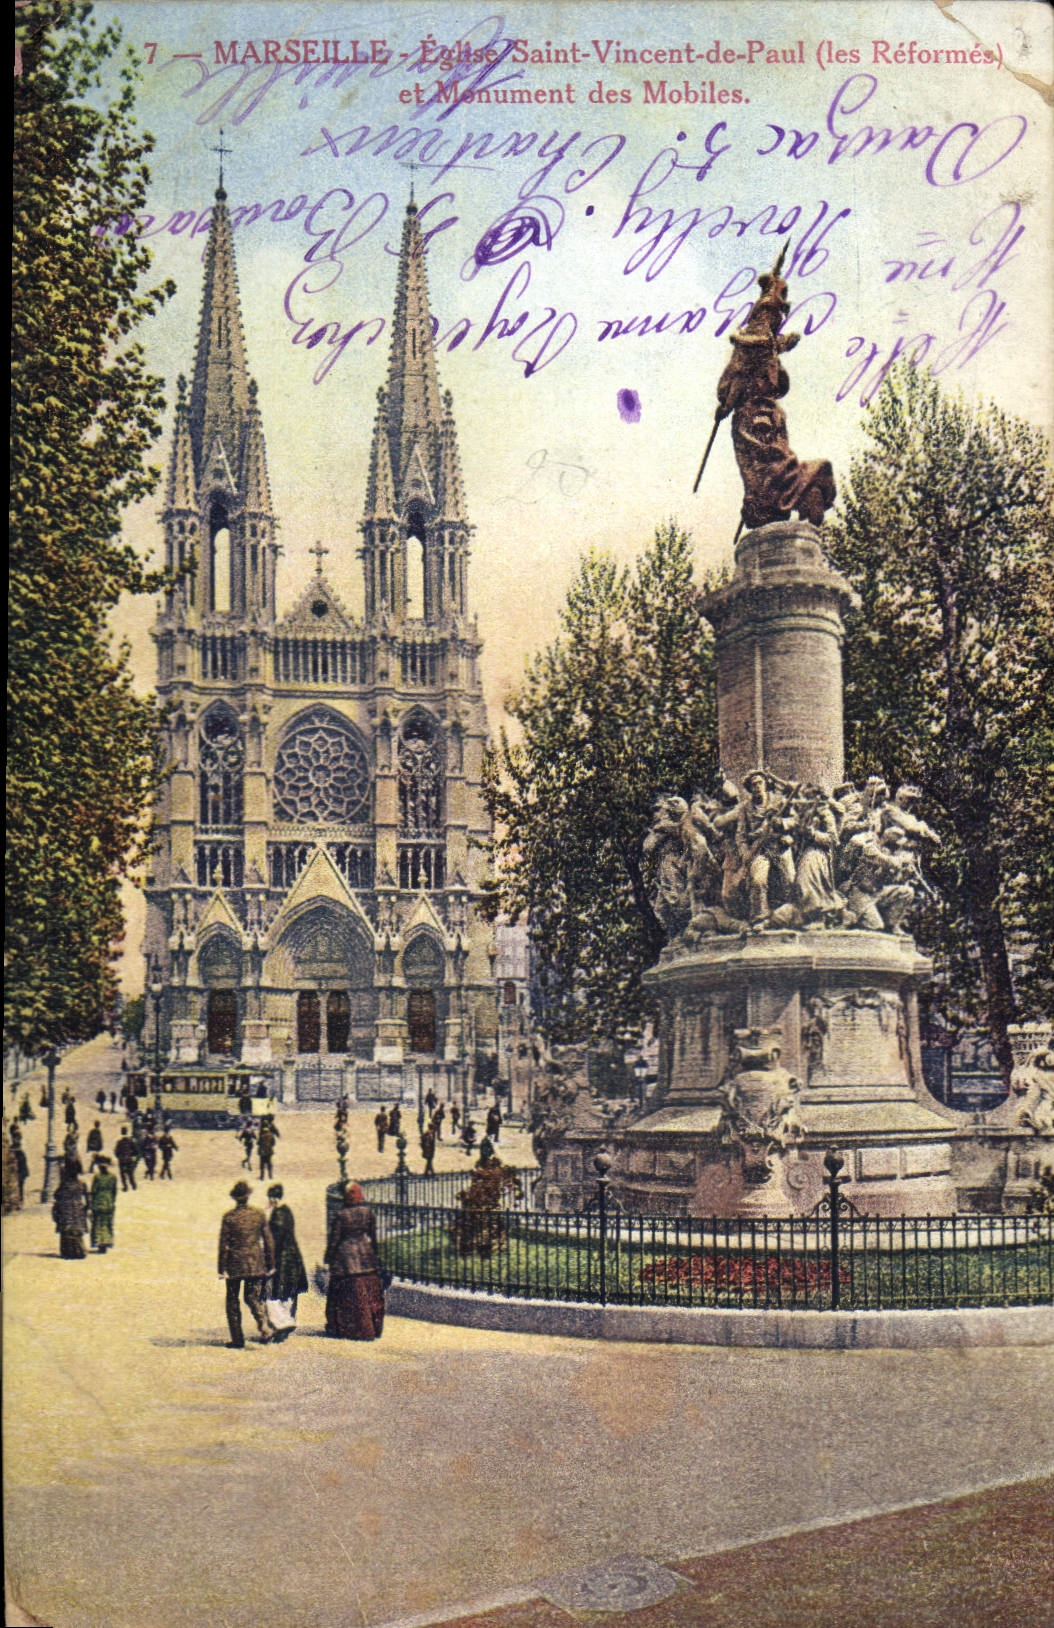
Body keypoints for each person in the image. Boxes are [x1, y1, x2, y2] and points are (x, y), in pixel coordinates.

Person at [217, 1180, 276, 1348]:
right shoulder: (258, 1214)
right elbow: (268, 1240)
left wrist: (222, 1268)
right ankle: (264, 1327)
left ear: (235, 1198)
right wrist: (270, 1263)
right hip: (255, 1262)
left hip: (235, 1263)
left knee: (232, 1301)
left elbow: (223, 1245)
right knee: (253, 1297)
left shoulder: (229, 1217)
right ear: (248, 1196)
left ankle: (237, 1339)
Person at [324, 1181, 385, 1340]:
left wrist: (329, 1256)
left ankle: (346, 1327)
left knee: (347, 1293)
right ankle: (374, 1327)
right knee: (371, 1293)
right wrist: (375, 1254)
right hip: (365, 1254)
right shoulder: (367, 1212)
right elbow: (373, 1235)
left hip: (346, 1257)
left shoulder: (341, 1215)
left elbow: (335, 1239)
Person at [266, 1184, 308, 1337]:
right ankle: (288, 1320)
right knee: (289, 1290)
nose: (271, 1200)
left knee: (279, 1290)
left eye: (272, 1197)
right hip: (293, 1254)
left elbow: (274, 1237)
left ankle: (283, 1323)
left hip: (282, 1257)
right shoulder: (286, 1211)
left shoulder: (278, 1214)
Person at [52, 1167, 89, 1258]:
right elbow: (88, 1198)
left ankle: (67, 1252)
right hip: (77, 1209)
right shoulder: (81, 1184)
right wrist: (85, 1208)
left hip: (66, 1209)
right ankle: (79, 1251)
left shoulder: (64, 1184)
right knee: (76, 1230)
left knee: (66, 1231)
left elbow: (56, 1195)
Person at [90, 1155, 118, 1253]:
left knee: (97, 1223)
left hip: (98, 1202)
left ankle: (99, 1242)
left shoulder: (97, 1177)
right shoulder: (113, 1177)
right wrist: (112, 1201)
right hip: (109, 1202)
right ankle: (106, 1241)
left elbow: (93, 1191)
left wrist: (91, 1203)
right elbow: (114, 1191)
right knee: (107, 1223)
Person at [115, 1125, 137, 1191]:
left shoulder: (119, 1142)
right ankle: (133, 1185)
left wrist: (119, 1157)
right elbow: (135, 1150)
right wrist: (132, 1156)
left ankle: (125, 1186)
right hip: (129, 1159)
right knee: (130, 1173)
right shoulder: (130, 1141)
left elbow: (116, 1152)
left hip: (122, 1160)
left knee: (123, 1174)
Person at [257, 1116, 279, 1180]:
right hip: (269, 1151)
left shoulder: (261, 1135)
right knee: (269, 1163)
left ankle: (262, 1177)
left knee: (262, 1164)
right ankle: (270, 1176)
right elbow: (273, 1143)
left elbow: (258, 1143)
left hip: (262, 1152)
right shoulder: (271, 1135)